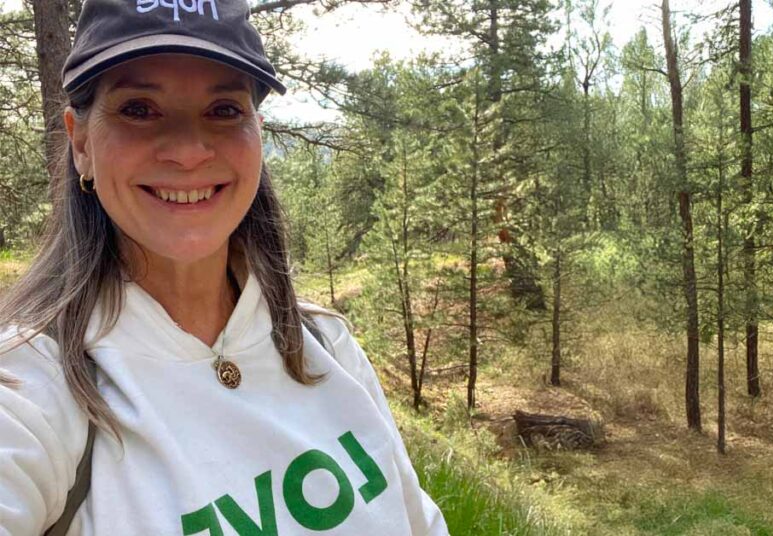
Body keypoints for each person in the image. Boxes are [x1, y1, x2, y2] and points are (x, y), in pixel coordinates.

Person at [0, 0, 448, 534]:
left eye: (223, 110)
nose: (189, 151)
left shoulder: (326, 345)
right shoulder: (31, 392)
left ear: (256, 132)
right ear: (80, 142)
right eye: (139, 108)